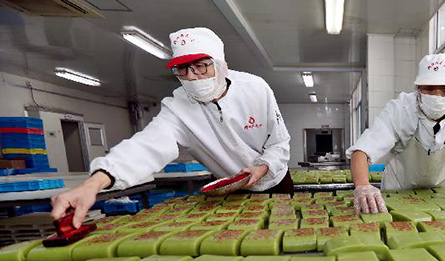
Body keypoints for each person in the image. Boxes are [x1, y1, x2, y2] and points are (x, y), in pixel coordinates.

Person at [51, 27, 291, 227]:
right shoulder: (178, 108)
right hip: (231, 190)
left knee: (281, 229)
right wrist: (92, 185)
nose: (193, 76)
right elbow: (144, 148)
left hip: (275, 181)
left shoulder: (256, 88)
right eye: (183, 69)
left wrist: (263, 167)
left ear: (221, 64)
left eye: (201, 65)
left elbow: (279, 142)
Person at [348, 53, 445, 215]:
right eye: (429, 89)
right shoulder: (400, 110)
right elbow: (361, 151)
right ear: (418, 88)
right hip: (399, 187)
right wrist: (363, 186)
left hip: (442, 188)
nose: (437, 95)